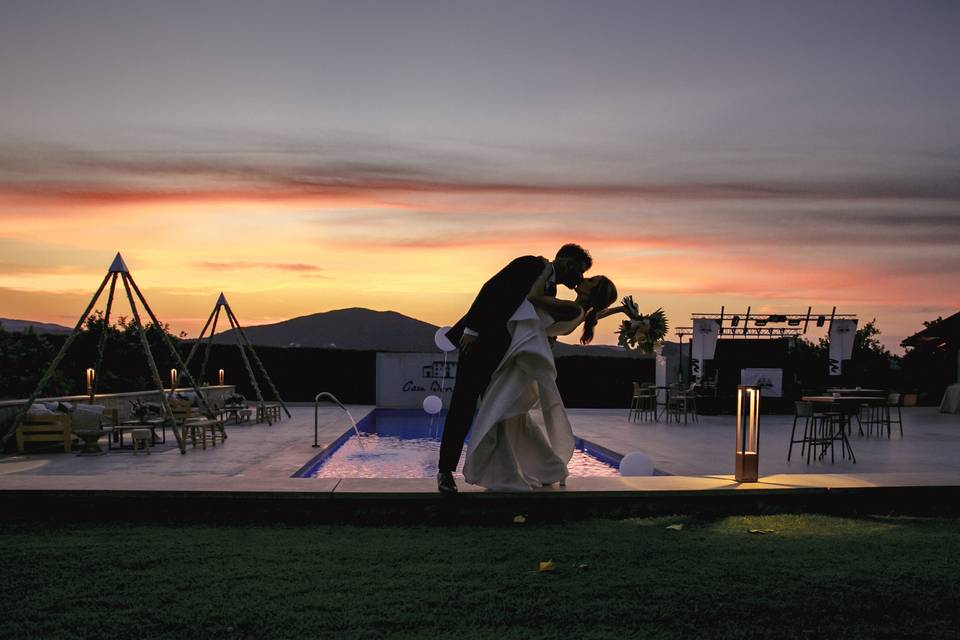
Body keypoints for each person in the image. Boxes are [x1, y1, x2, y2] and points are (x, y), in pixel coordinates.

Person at [436, 244, 592, 493]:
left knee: (501, 414)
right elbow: (492, 289)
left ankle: (510, 471)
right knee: (463, 405)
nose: (579, 278)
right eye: (580, 271)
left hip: (506, 357)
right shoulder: (530, 264)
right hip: (479, 344)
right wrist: (472, 329)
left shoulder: (548, 286)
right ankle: (445, 471)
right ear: (567, 263)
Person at [461, 272, 619, 491]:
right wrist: (619, 310)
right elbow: (593, 314)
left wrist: (544, 271)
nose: (585, 279)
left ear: (593, 292)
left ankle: (508, 475)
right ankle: (549, 468)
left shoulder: (572, 309)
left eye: (591, 281)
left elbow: (534, 298)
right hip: (526, 361)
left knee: (502, 414)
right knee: (513, 418)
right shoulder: (579, 311)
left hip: (524, 364)